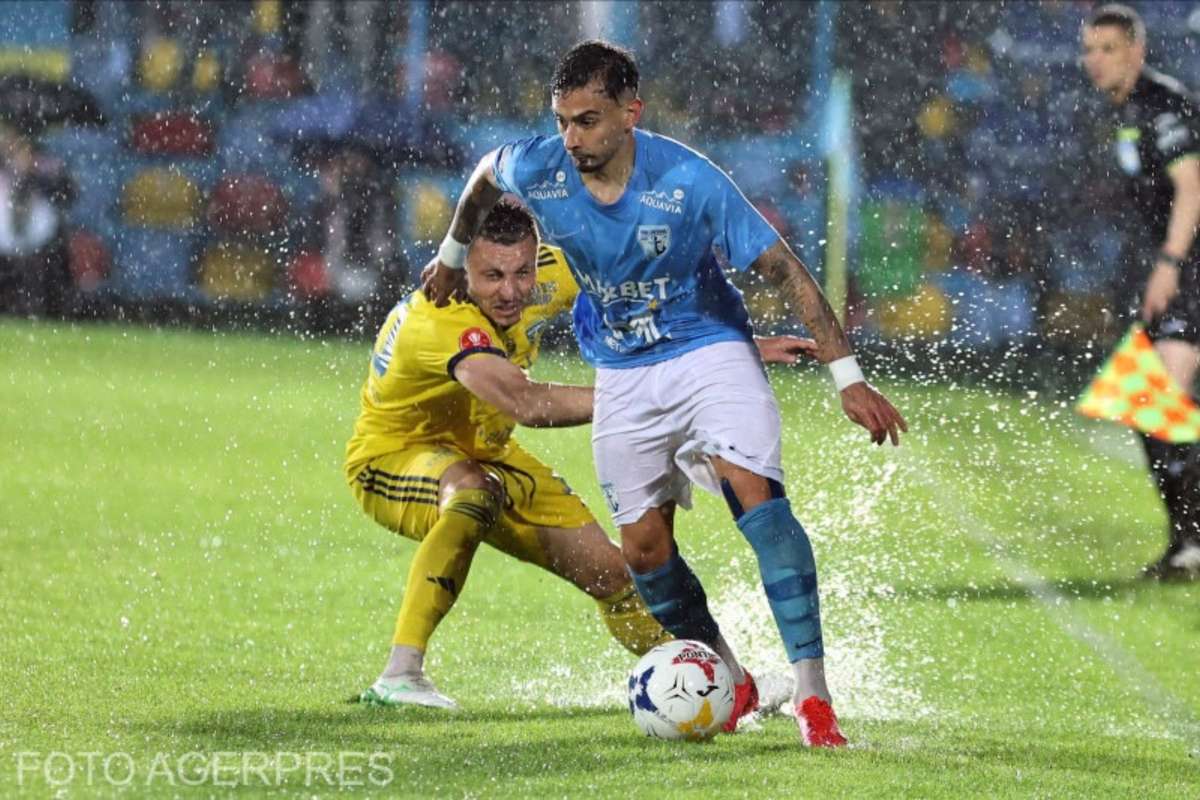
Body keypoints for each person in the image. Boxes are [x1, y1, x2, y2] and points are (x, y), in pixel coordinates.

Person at [423, 41, 907, 747]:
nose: (572, 138)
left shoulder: (689, 180)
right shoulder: (541, 167)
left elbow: (786, 270)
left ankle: (813, 696)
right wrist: (450, 255)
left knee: (759, 504)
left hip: (707, 348)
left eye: (588, 120)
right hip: (623, 367)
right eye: (562, 120)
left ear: (630, 112)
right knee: (644, 552)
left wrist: (848, 377)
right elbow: (482, 177)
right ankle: (733, 680)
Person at [347, 199, 811, 713]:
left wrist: (726, 349)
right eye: (492, 275)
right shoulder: (439, 319)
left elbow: (643, 297)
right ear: (462, 268)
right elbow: (523, 402)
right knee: (473, 492)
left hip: (492, 454)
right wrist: (647, 392)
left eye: (523, 271)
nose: (512, 290)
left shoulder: (552, 272)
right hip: (394, 459)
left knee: (615, 575)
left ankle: (733, 689)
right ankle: (400, 674)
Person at [1081, 4, 1200, 580]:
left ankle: (1190, 543)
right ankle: (1186, 542)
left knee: (1163, 402)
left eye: (1106, 49)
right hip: (1168, 269)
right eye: (1088, 50)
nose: (1094, 61)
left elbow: (1191, 187)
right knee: (1148, 405)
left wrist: (1170, 263)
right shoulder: (1122, 111)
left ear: (1136, 50)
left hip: (1190, 267)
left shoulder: (1162, 101)